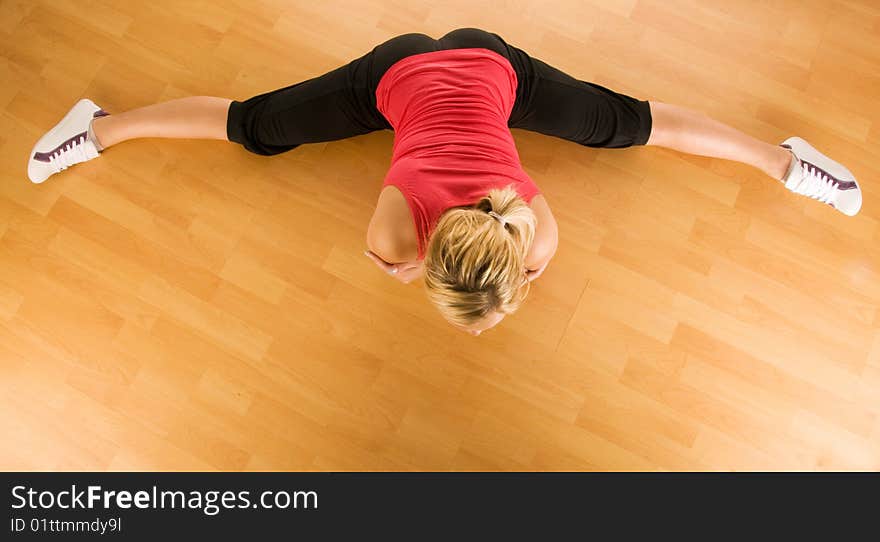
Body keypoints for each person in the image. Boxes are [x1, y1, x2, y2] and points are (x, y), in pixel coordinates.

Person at [26, 28, 862, 336]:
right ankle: (91, 129)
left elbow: (489, 263)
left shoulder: (537, 242)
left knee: (635, 124)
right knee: (250, 127)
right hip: (414, 72)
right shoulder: (392, 237)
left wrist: (429, 268)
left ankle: (785, 159)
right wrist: (397, 266)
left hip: (489, 68)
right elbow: (391, 253)